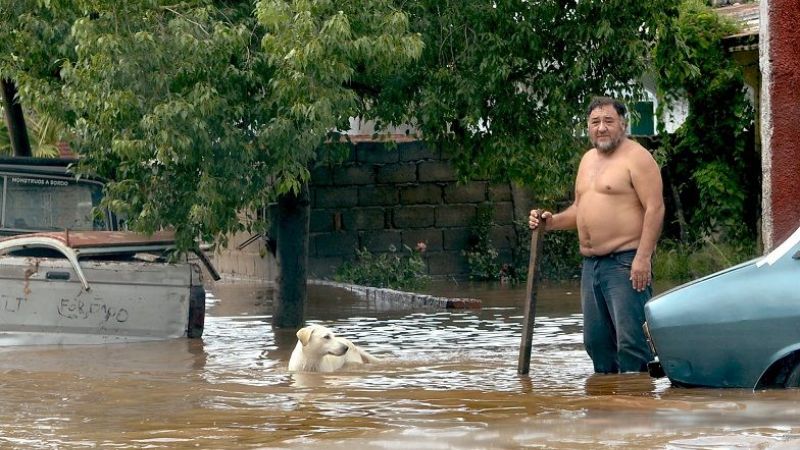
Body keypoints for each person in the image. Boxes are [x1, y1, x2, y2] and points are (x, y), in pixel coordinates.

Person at [529, 96, 664, 373]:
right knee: (596, 343)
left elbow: (655, 208)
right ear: (588, 127)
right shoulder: (588, 160)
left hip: (626, 263)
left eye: (608, 121)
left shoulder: (637, 157)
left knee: (632, 344)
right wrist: (550, 222)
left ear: (623, 124)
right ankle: (605, 408)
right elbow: (581, 208)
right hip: (592, 267)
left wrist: (643, 258)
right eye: (595, 122)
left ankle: (638, 406)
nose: (601, 128)